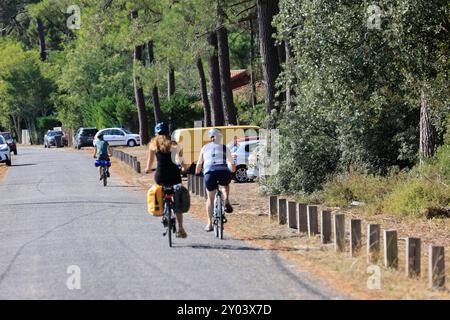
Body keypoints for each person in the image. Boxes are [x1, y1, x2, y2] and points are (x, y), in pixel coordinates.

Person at [145, 122, 188, 238]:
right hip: (174, 176)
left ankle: (164, 210)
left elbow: (149, 164)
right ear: (168, 133)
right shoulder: (175, 145)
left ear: (156, 133)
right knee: (177, 200)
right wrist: (183, 169)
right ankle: (181, 228)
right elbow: (183, 163)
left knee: (162, 191)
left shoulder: (153, 145)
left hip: (160, 176)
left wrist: (147, 169)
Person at [196, 128, 236, 232]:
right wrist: (232, 171)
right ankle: (226, 199)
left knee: (210, 199)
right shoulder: (224, 147)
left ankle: (209, 224)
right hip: (223, 172)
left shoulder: (204, 148)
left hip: (209, 173)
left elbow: (199, 164)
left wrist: (197, 172)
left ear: (210, 138)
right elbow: (231, 163)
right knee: (225, 185)